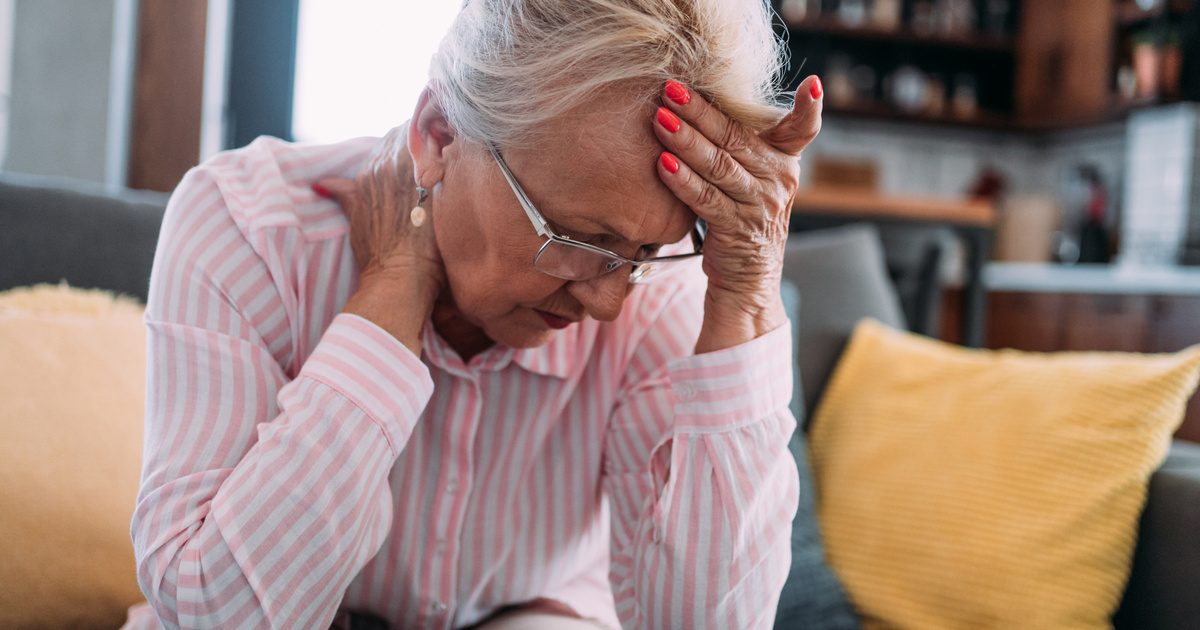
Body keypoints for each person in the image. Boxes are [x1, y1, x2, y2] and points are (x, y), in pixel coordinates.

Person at [124, 0, 823, 627]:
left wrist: (746, 296)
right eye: (576, 239)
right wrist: (391, 298)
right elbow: (214, 614)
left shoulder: (664, 295)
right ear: (439, 133)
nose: (610, 301)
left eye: (644, 250)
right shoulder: (249, 228)